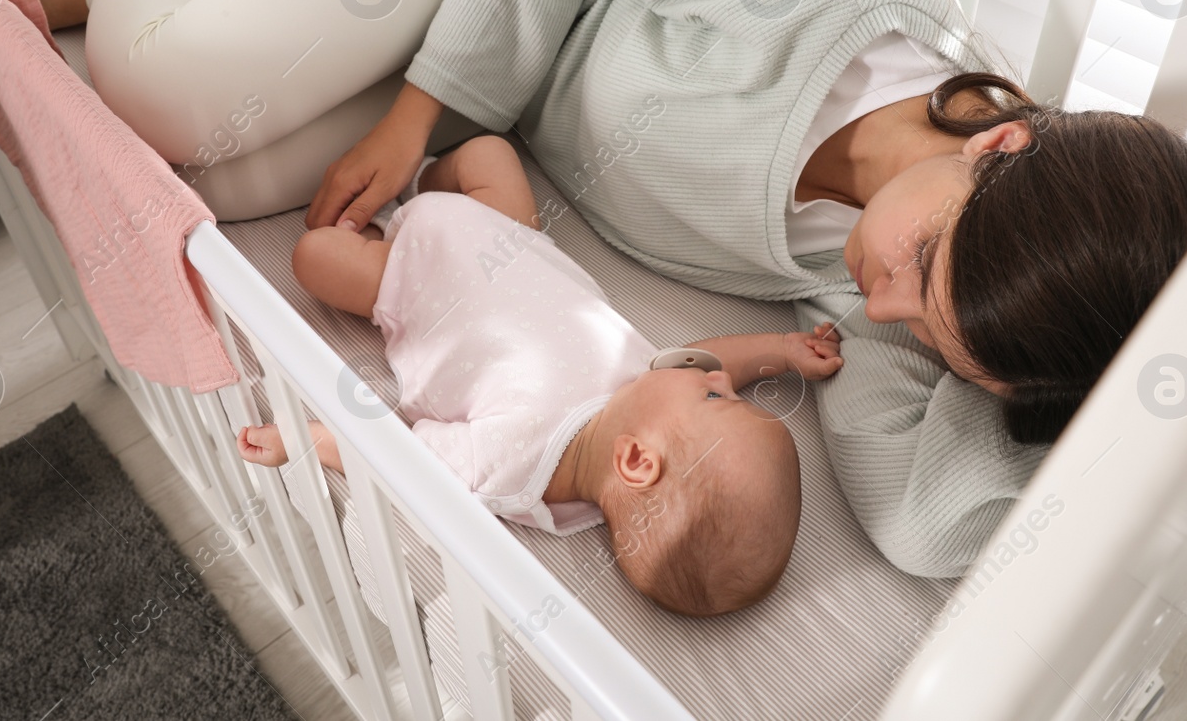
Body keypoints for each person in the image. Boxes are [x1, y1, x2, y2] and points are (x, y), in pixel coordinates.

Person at [21, 0, 1187, 578]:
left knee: (222, 182)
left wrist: (1092, 391)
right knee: (177, 95)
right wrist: (414, 117)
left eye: (928, 333)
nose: (884, 304)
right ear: (1003, 141)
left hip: (504, 85)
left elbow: (927, 524)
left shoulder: (857, 300)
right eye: (921, 263)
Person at [234, 135, 842, 616]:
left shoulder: (514, 467)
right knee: (488, 152)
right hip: (509, 235)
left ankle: (381, 225)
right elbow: (708, 354)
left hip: (410, 285)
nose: (718, 377)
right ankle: (420, 183)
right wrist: (782, 349)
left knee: (314, 257)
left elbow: (402, 456)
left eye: (718, 397)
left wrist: (304, 440)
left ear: (637, 462)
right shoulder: (638, 397)